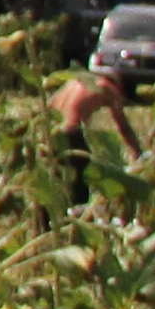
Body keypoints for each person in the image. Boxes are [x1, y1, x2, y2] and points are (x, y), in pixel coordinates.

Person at [53, 52, 147, 207]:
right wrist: (138, 152)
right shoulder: (106, 87)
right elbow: (123, 126)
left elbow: (51, 105)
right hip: (72, 133)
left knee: (55, 180)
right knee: (80, 183)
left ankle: (45, 222)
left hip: (52, 132)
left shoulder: (74, 83)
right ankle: (76, 218)